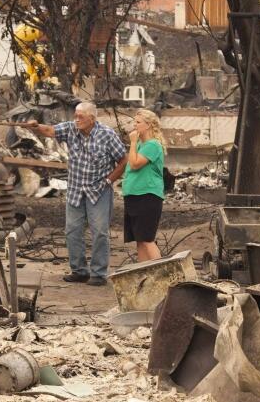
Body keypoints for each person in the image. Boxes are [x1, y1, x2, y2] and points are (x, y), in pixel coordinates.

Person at [26, 103, 127, 285]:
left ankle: (98, 274)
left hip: (99, 190)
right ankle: (79, 270)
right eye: (76, 115)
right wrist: (35, 127)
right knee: (72, 231)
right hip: (75, 189)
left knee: (100, 232)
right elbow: (49, 130)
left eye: (81, 116)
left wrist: (109, 181)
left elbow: (123, 160)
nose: (77, 119)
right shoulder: (71, 129)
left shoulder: (107, 135)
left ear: (92, 119)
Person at [122, 109, 166, 263]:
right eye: (134, 122)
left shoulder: (153, 145)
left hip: (147, 196)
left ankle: (162, 274)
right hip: (134, 195)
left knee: (147, 238)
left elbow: (134, 164)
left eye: (138, 122)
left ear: (148, 125)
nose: (134, 125)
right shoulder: (141, 144)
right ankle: (143, 274)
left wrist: (133, 141)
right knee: (139, 239)